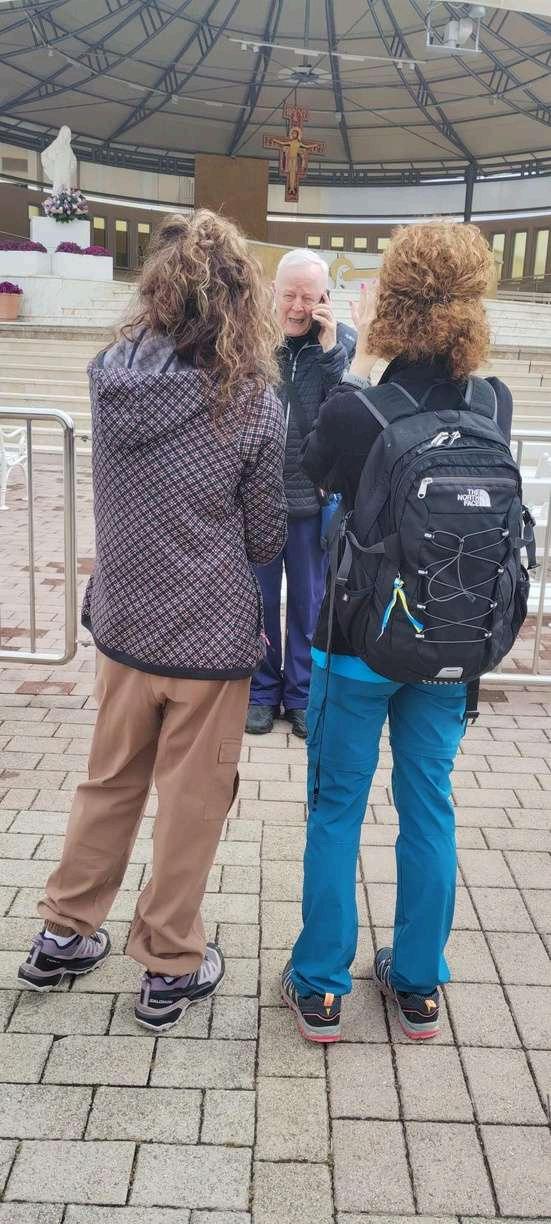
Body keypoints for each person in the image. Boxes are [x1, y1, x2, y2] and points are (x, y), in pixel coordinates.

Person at [18, 210, 287, 1031]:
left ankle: (64, 932)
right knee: (191, 803)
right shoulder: (252, 402)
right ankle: (169, 961)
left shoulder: (110, 377)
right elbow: (266, 536)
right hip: (208, 636)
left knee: (108, 782)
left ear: (158, 291)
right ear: (238, 299)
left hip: (125, 625)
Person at [281, 222, 514, 1043]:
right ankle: (416, 983)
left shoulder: (359, 408)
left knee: (335, 808)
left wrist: (340, 359)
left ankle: (320, 987)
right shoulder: (493, 401)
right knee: (428, 808)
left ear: (394, 302)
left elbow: (313, 468)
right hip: (451, 642)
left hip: (356, 643)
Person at [246, 248, 356, 739]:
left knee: (309, 604)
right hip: (259, 499)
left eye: (308, 297)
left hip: (312, 500)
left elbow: (346, 413)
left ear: (325, 298)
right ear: (273, 292)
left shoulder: (341, 344)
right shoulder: (250, 339)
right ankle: (261, 692)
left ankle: (301, 695)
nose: (297, 306)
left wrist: (332, 353)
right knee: (259, 601)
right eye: (288, 294)